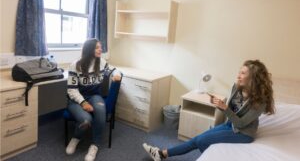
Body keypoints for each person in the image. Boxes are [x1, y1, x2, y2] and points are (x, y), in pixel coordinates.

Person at [143, 59, 275, 161]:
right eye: (239, 71)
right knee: (198, 138)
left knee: (201, 141)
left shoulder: (260, 101)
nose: (238, 75)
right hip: (230, 125)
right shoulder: (237, 87)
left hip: (243, 133)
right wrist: (220, 105)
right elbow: (231, 109)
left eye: (243, 73)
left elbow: (241, 123)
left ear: (253, 78)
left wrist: (225, 108)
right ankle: (161, 154)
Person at [65, 38, 121, 161]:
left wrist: (117, 74)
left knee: (101, 110)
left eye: (100, 47)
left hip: (94, 96)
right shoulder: (76, 65)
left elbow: (114, 69)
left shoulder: (101, 62)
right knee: (86, 120)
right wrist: (83, 102)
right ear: (89, 49)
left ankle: (95, 145)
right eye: (97, 47)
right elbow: (72, 89)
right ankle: (76, 137)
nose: (100, 49)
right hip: (76, 99)